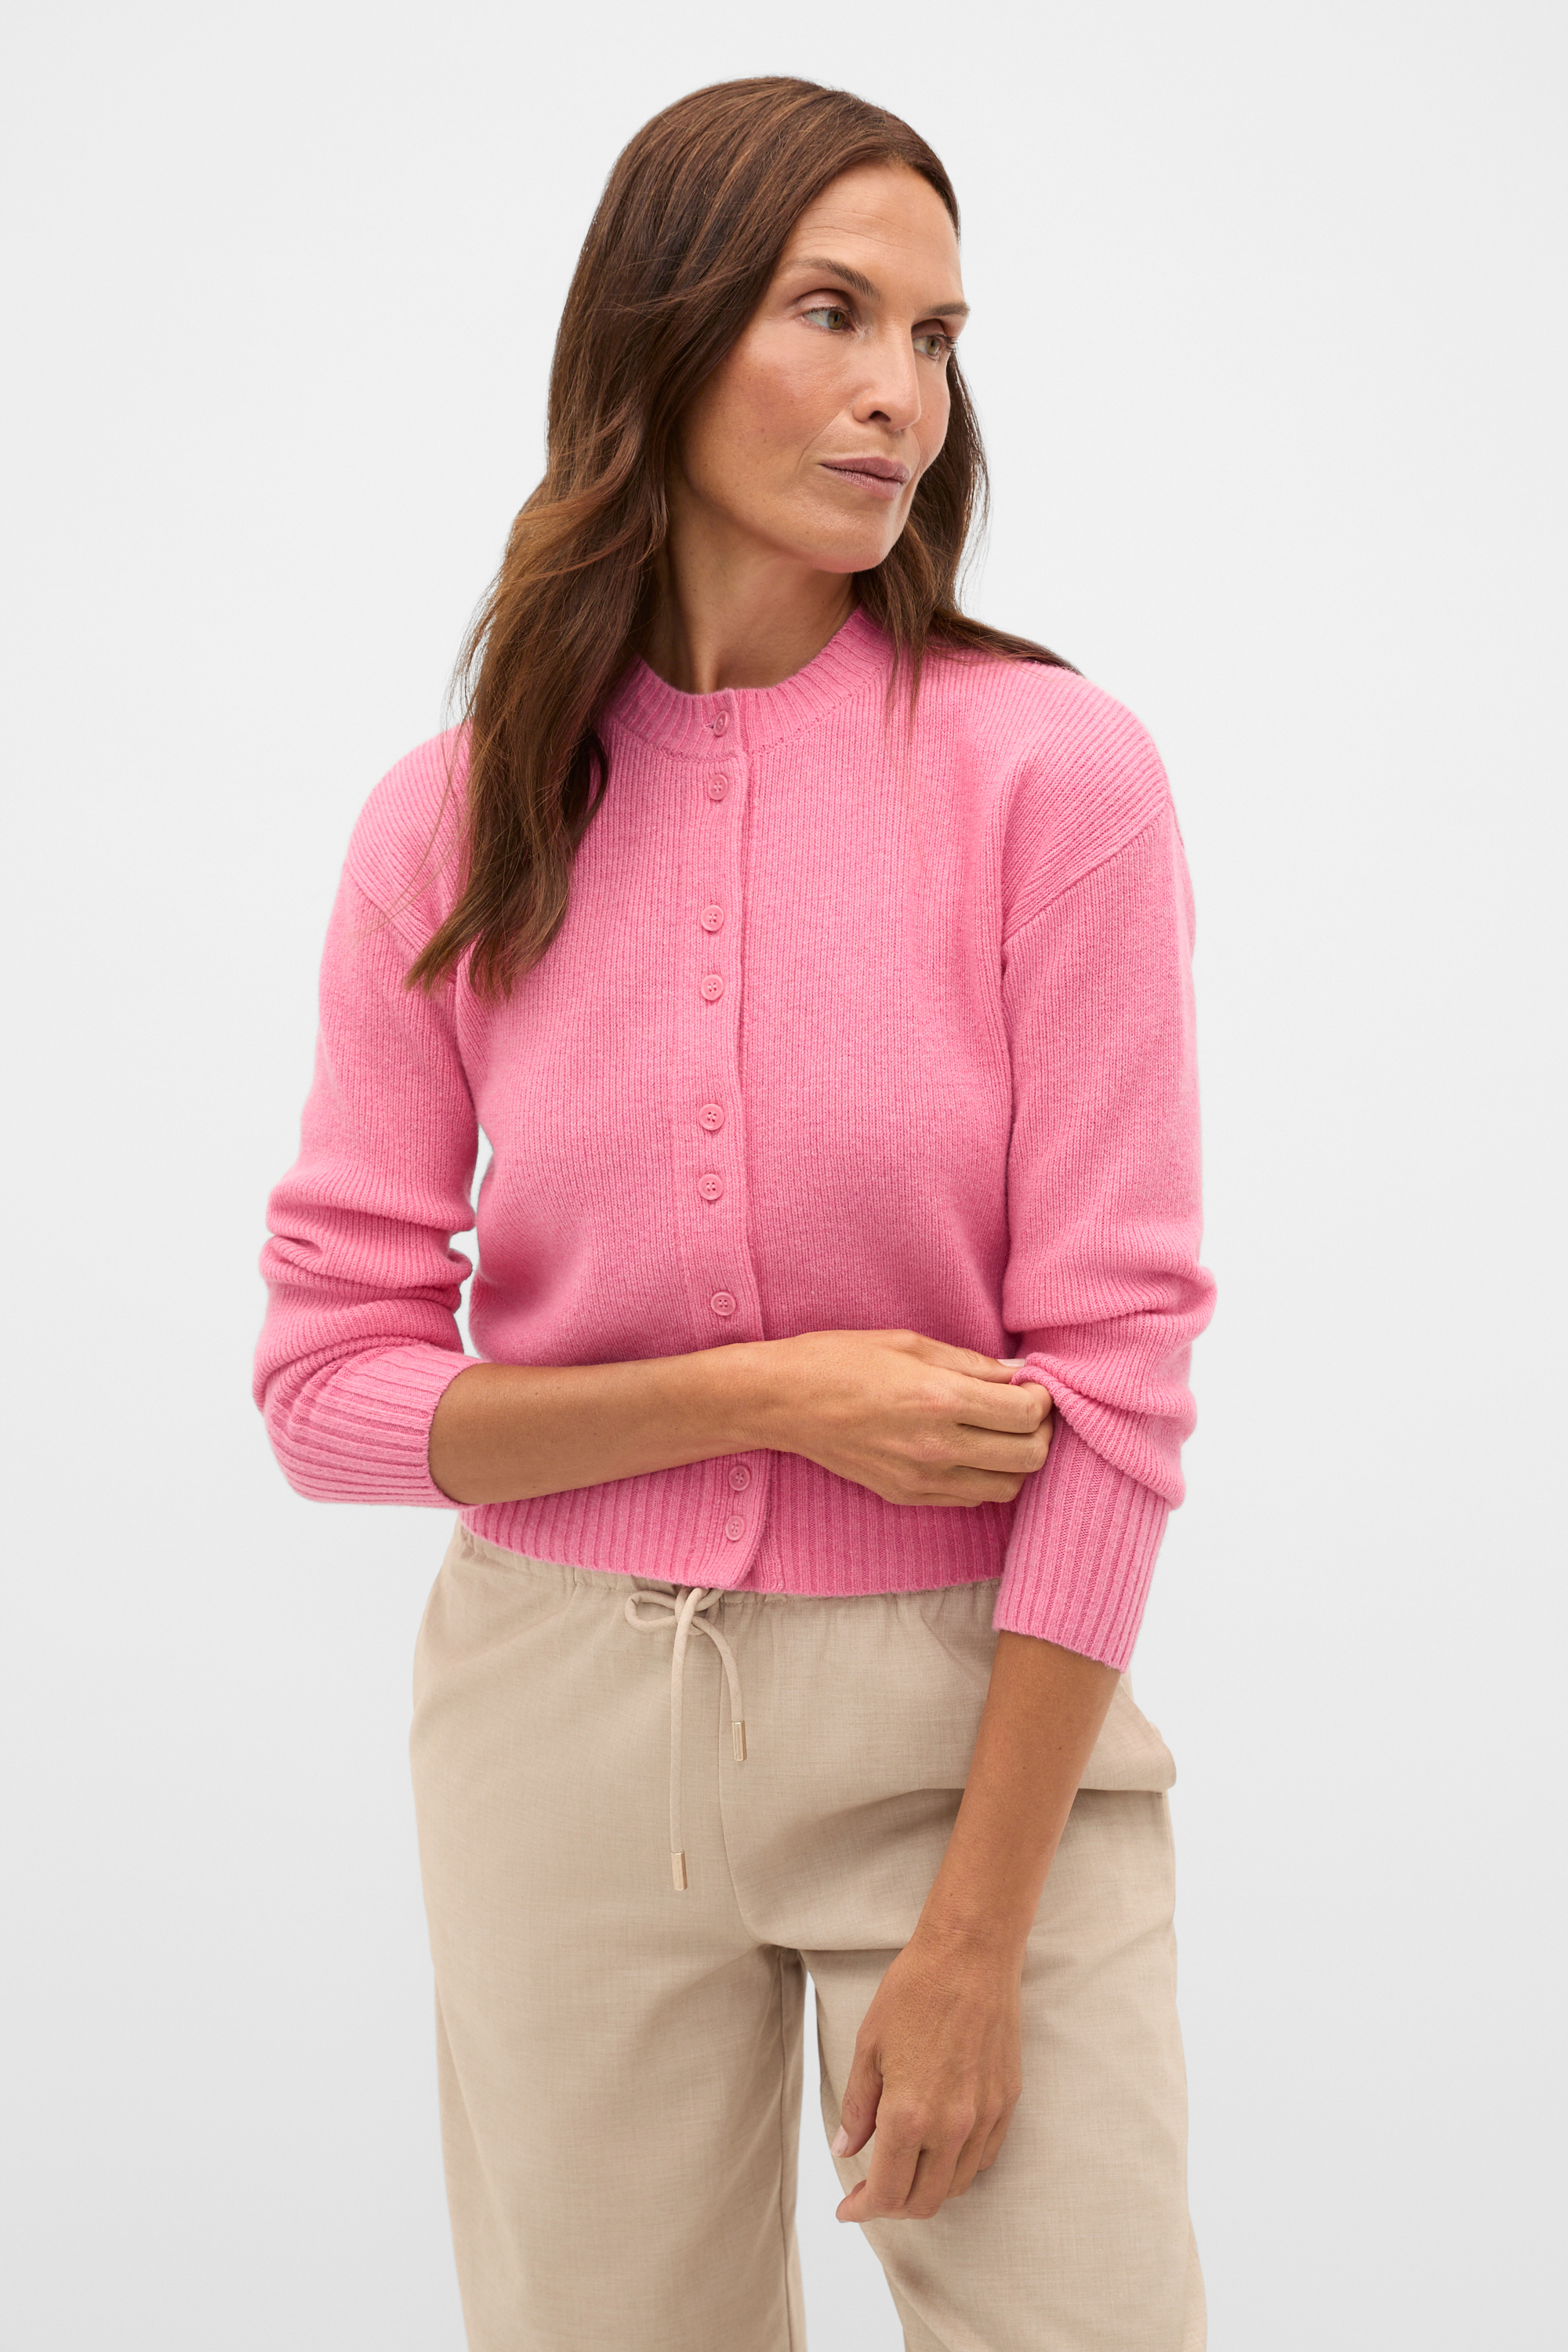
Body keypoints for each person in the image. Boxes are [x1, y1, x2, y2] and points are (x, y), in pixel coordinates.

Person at [253, 74, 1216, 2352]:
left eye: (938, 338)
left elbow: (1120, 1381)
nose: (903, 395)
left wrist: (977, 1935)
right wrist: (767, 1396)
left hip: (972, 1714)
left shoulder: (1053, 779)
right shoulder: (455, 822)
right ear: (665, 335)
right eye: (835, 313)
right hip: (560, 1725)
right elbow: (327, 1397)